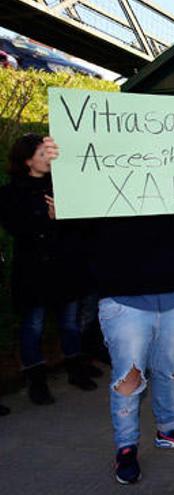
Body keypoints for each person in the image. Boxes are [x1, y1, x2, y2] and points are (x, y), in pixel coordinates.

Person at [79, 146, 174, 484]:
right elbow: (78, 233)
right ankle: (126, 449)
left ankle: (169, 429)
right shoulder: (99, 187)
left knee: (168, 371)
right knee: (128, 380)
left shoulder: (170, 185)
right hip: (125, 299)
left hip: (173, 294)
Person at [0, 134, 99, 406]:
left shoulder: (63, 186)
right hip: (33, 273)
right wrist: (47, 219)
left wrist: (64, 217)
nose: (49, 158)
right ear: (27, 159)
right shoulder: (10, 193)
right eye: (43, 154)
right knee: (33, 326)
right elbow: (17, 229)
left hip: (65, 270)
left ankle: (75, 369)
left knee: (69, 323)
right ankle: (37, 380)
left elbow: (83, 227)